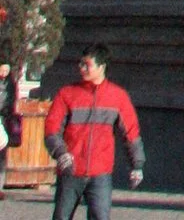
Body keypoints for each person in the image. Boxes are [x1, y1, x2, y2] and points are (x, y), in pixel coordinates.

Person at [44, 53, 141, 220]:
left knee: (100, 217)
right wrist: (61, 153)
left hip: (100, 173)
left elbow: (131, 133)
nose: (81, 68)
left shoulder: (117, 96)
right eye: (80, 64)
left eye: (87, 65)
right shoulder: (67, 93)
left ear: (101, 67)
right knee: (61, 217)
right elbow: (51, 129)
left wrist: (137, 164)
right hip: (70, 171)